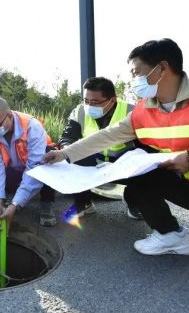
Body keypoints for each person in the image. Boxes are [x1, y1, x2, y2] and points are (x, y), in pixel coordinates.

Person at [43, 39, 189, 280]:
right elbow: (107, 135)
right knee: (139, 176)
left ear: (161, 69)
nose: (133, 80)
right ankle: (170, 236)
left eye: (137, 72)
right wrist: (65, 153)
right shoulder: (144, 109)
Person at [59, 76, 142, 220]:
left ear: (112, 100)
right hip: (93, 161)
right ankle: (84, 203)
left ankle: (135, 204)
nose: (89, 105)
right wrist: (66, 151)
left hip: (122, 163)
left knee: (142, 164)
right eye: (86, 100)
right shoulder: (79, 111)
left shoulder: (132, 111)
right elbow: (68, 137)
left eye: (95, 102)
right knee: (72, 156)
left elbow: (145, 144)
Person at [0, 97, 57, 230]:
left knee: (48, 158)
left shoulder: (32, 127)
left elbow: (35, 169)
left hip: (38, 165)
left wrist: (15, 204)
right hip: (15, 167)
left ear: (9, 116)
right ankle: (9, 199)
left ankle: (46, 203)